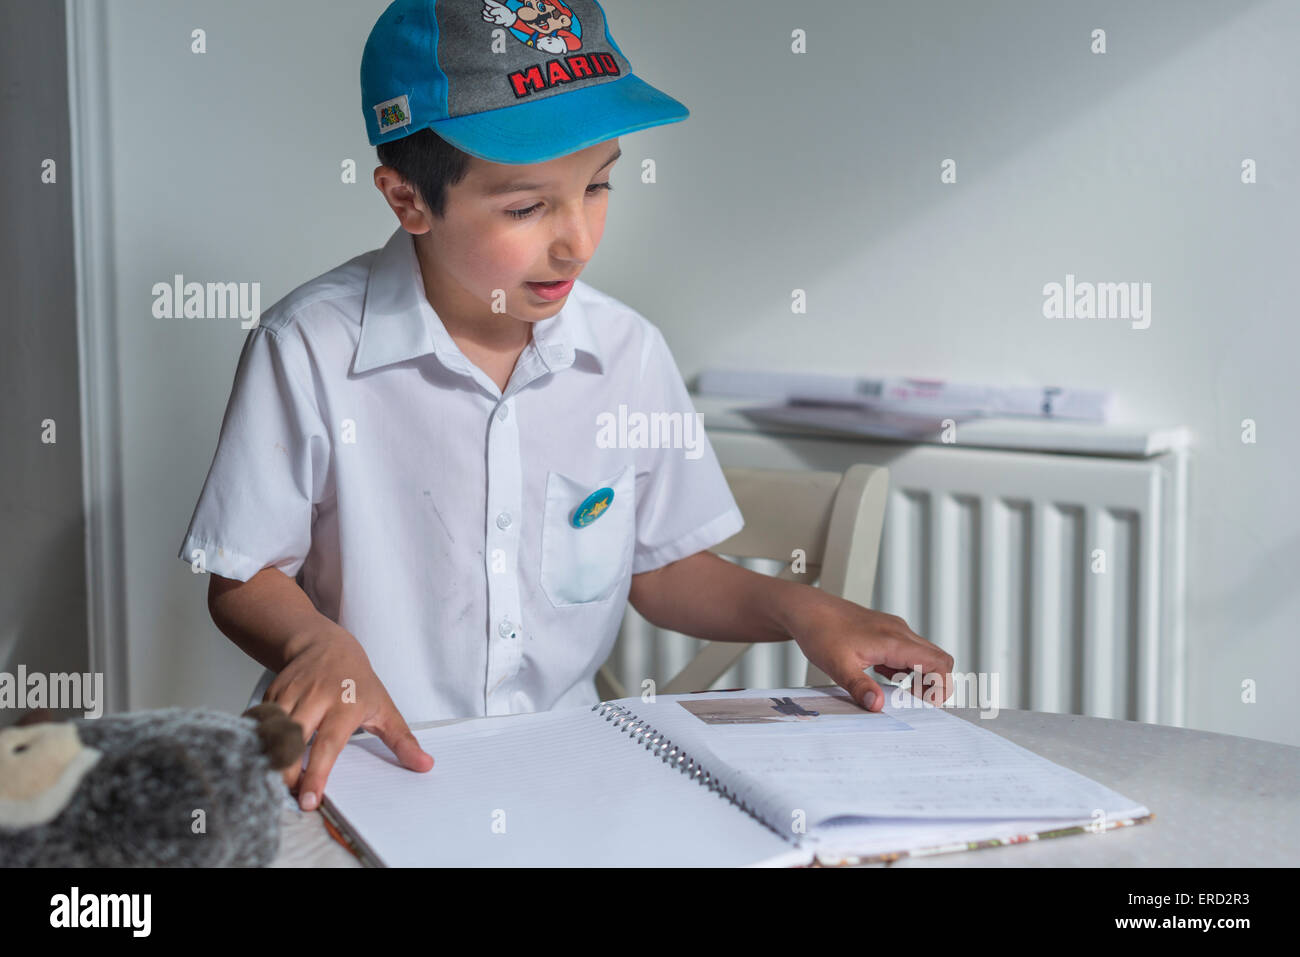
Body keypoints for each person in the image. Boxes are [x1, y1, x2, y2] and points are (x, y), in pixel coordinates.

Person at [177, 0, 953, 813]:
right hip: (364, 774)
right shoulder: (308, 346)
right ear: (408, 200)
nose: (576, 239)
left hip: (568, 777)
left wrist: (804, 610)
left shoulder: (627, 352)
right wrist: (316, 640)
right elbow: (243, 571)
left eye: (599, 184)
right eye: (526, 207)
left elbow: (658, 567)